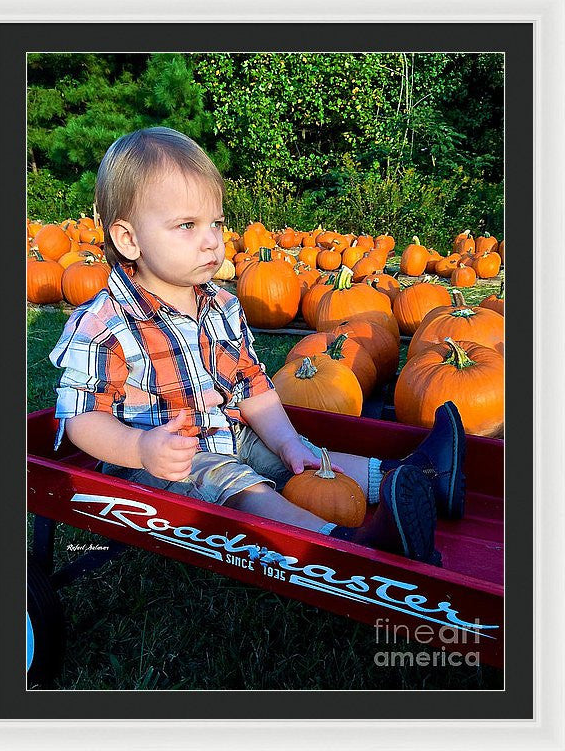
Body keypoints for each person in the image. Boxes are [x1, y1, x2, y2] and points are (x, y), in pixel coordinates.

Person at [49, 127, 467, 567]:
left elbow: (251, 385)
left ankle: (423, 477)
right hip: (160, 463)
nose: (212, 240)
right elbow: (81, 419)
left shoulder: (221, 304)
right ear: (129, 239)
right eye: (187, 226)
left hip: (230, 433)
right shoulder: (103, 323)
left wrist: (288, 442)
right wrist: (139, 449)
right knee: (239, 484)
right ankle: (347, 545)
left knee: (300, 455)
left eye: (216, 223)